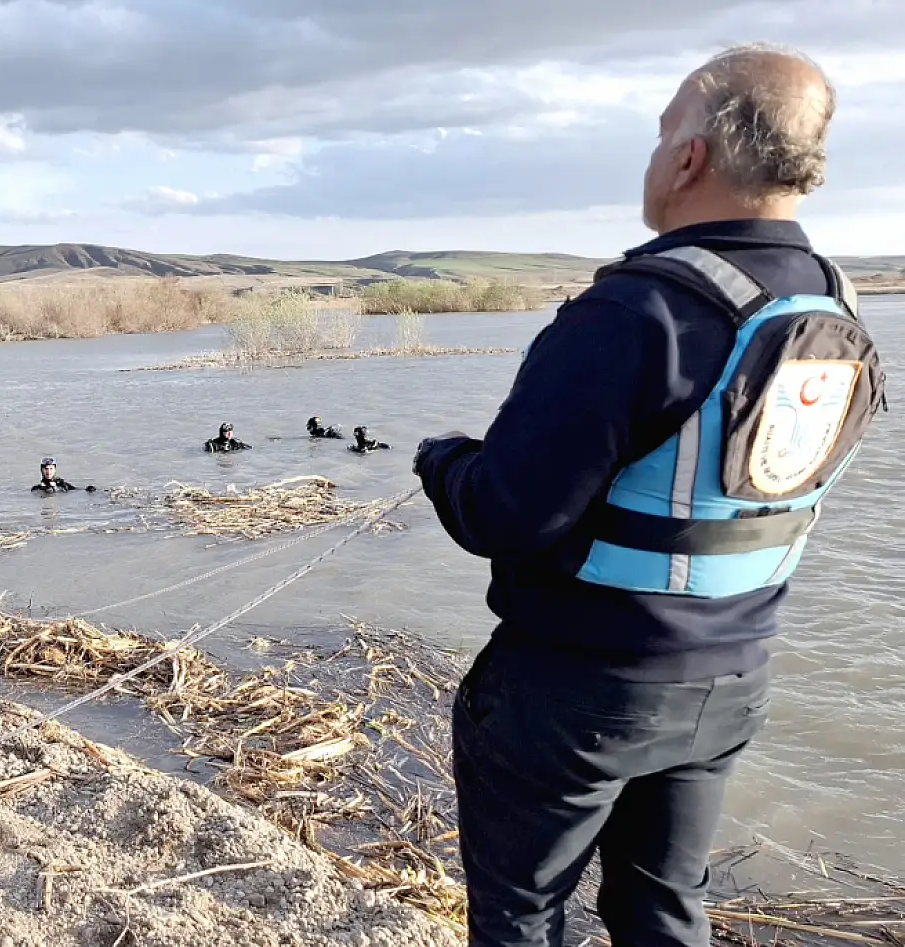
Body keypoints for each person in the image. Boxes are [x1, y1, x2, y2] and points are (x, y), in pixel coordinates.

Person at [412, 46, 884, 947]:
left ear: (690, 158)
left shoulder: (638, 310)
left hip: (578, 693)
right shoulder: (840, 306)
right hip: (733, 680)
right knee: (663, 909)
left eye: (666, 125)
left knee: (521, 915)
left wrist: (443, 459)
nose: (659, 147)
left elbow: (504, 513)